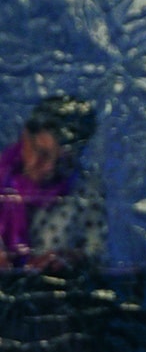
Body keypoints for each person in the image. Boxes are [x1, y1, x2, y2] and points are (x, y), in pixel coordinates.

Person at [1, 93, 104, 271]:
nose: (49, 167)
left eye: (62, 161)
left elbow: (98, 255)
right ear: (25, 137)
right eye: (41, 153)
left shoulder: (86, 189)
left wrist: (71, 259)